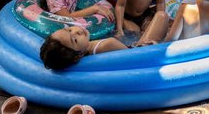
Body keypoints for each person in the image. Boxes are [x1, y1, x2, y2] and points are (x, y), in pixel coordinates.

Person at [40, 11, 169, 70]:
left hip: (133, 46)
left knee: (135, 25)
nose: (76, 31)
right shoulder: (106, 45)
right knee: (161, 16)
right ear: (77, 56)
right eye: (74, 39)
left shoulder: (85, 50)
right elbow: (135, 57)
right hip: (147, 49)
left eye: (68, 29)